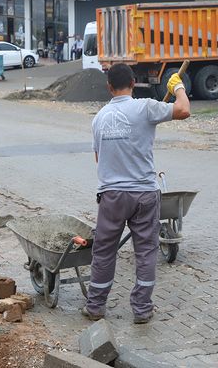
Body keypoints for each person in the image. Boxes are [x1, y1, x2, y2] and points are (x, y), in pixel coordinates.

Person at [83, 63, 190, 324]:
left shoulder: (99, 119)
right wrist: (178, 86)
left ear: (109, 87)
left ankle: (95, 306)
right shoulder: (146, 107)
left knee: (104, 252)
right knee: (145, 252)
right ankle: (142, 310)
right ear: (133, 83)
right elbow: (184, 109)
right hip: (143, 194)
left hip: (112, 196)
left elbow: (100, 160)